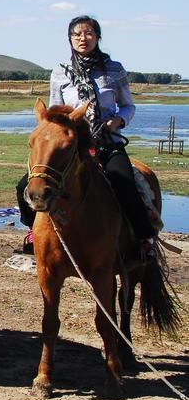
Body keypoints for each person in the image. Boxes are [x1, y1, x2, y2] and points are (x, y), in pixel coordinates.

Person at [15, 15, 157, 259]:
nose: (83, 38)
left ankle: (143, 240)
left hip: (107, 143)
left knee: (124, 183)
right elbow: (54, 111)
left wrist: (118, 121)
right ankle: (33, 232)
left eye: (89, 33)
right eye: (77, 34)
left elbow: (128, 106)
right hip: (72, 146)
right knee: (24, 185)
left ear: (97, 38)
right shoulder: (60, 72)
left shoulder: (114, 70)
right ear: (69, 39)